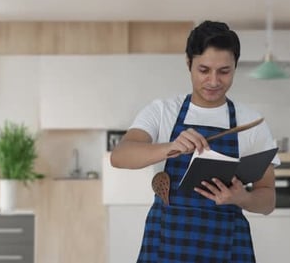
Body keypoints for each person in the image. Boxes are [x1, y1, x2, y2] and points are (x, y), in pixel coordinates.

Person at [110, 20, 280, 263]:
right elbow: (120, 156)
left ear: (235, 67)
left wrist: (242, 198)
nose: (213, 81)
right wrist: (170, 147)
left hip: (227, 244)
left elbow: (268, 201)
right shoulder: (162, 111)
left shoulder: (251, 122)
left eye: (224, 71)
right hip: (166, 241)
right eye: (204, 70)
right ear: (189, 63)